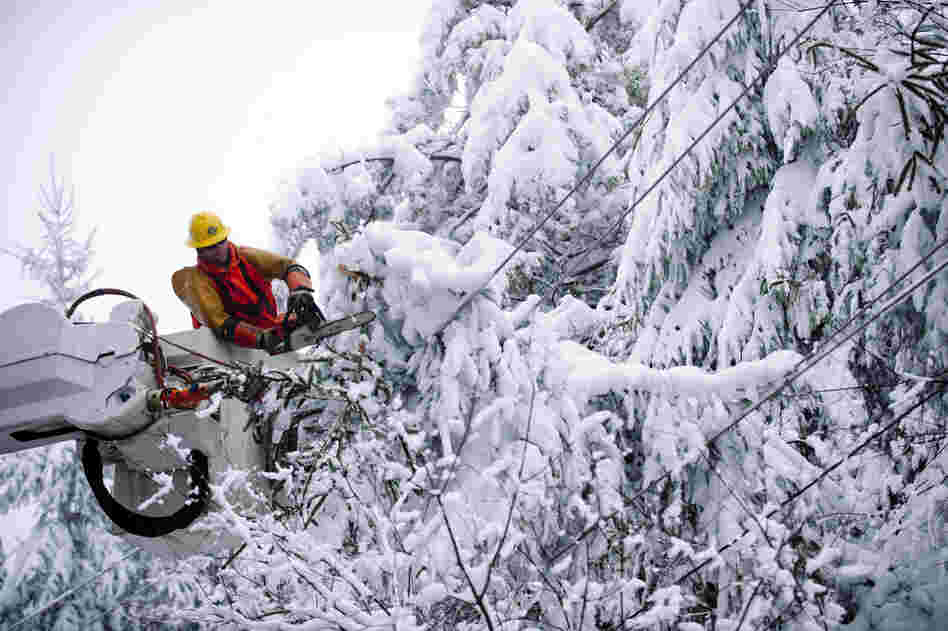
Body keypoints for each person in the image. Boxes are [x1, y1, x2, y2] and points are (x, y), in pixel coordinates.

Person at [172, 211, 324, 353]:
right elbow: (219, 323)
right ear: (199, 250)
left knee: (304, 319)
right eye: (210, 247)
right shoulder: (197, 280)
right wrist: (259, 338)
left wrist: (300, 291)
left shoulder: (246, 257)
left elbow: (289, 266)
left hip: (265, 329)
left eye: (220, 242)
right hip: (224, 346)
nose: (218, 249)